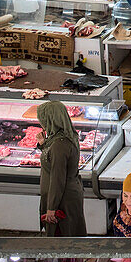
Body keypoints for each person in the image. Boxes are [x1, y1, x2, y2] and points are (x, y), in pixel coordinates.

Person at [37, 100, 87, 237]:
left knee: (65, 239)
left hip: (62, 200)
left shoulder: (60, 144)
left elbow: (57, 178)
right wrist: (43, 144)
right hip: (65, 195)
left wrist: (51, 208)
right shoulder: (63, 136)